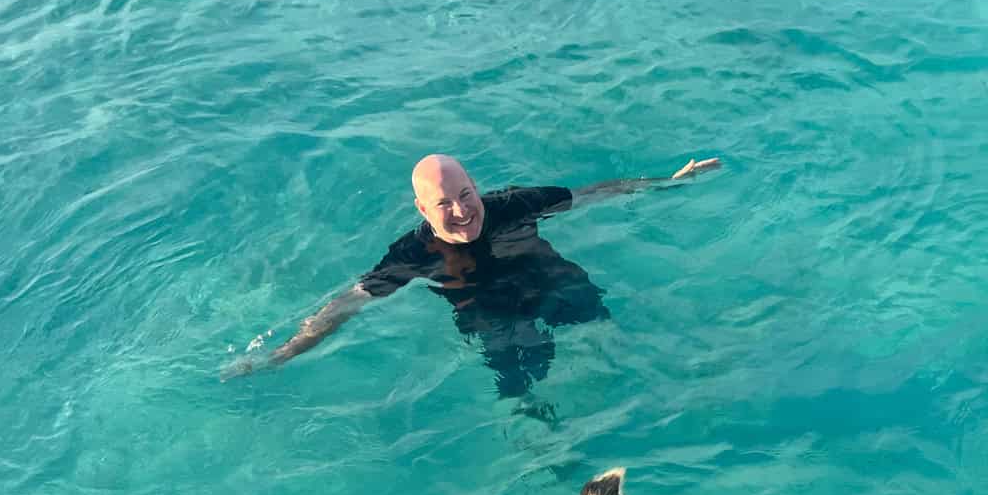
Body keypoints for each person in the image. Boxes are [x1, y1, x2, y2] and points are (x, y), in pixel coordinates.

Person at [225, 153, 720, 396]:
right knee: (520, 386)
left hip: (554, 285)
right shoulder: (412, 252)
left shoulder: (511, 204)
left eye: (466, 195)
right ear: (422, 208)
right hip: (492, 316)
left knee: (612, 341)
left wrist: (668, 184)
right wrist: (283, 353)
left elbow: (594, 193)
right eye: (444, 204)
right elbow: (346, 305)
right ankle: (544, 447)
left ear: (475, 186)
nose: (462, 211)